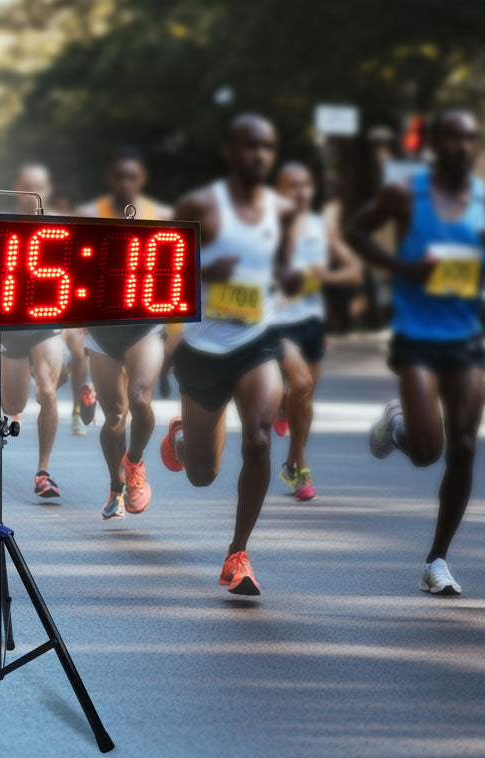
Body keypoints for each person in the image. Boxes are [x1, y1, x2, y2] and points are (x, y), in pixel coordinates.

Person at [346, 109, 485, 596]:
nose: (463, 145)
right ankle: (397, 424)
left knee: (465, 446)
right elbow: (356, 232)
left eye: (471, 137)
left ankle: (437, 561)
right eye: (453, 137)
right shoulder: (406, 194)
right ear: (434, 143)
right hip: (416, 336)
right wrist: (403, 269)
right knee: (428, 452)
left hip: (465, 337)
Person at [161, 114, 297, 595]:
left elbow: (283, 272)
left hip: (255, 342)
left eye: (267, 147)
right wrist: (203, 271)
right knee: (202, 474)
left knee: (259, 438)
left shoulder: (282, 210)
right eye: (249, 146)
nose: (259, 155)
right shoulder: (201, 206)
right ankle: (180, 440)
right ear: (229, 150)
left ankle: (238, 554)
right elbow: (163, 274)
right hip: (202, 351)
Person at [76, 146, 172, 520]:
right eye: (119, 176)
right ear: (110, 178)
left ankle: (134, 463)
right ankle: (116, 486)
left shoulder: (159, 216)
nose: (126, 182)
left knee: (140, 398)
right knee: (113, 417)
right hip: (102, 329)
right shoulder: (89, 216)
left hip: (144, 325)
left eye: (132, 176)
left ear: (141, 179)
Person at [271, 162, 362, 501]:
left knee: (304, 399)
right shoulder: (264, 227)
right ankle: (302, 466)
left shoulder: (322, 228)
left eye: (306, 185)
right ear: (279, 190)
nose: (300, 192)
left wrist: (325, 275)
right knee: (301, 384)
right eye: (292, 185)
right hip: (274, 323)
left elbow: (353, 272)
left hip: (310, 322)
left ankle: (292, 461)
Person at [15, 162, 97, 434]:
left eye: (38, 188)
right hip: (27, 312)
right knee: (45, 379)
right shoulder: (5, 224)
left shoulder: (61, 224)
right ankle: (57, 383)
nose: (33, 193)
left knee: (76, 348)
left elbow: (81, 268)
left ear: (47, 190)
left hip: (63, 304)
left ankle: (77, 408)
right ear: (17, 189)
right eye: (27, 188)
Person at [0, 330, 64, 499]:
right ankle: (21, 371)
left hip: (46, 324)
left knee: (48, 392)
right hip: (12, 330)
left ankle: (42, 472)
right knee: (13, 405)